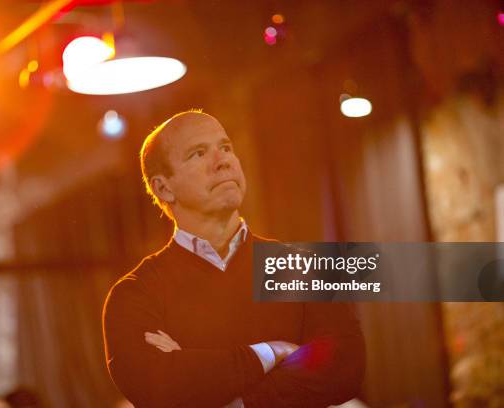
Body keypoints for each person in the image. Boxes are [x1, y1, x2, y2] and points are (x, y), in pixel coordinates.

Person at [102, 110, 365, 407]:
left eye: (225, 148)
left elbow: (346, 367)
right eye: (198, 153)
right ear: (164, 187)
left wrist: (233, 397)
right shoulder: (135, 294)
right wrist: (270, 353)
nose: (222, 161)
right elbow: (157, 387)